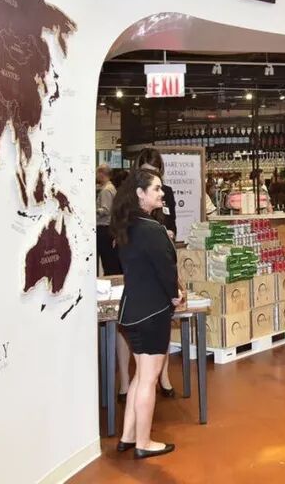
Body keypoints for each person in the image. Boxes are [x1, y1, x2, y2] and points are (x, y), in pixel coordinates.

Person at [111, 169, 183, 459]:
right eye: (156, 188)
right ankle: (144, 442)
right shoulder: (151, 229)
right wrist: (175, 295)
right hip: (152, 311)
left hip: (131, 311)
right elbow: (166, 270)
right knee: (149, 379)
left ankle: (128, 436)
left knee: (140, 376)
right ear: (140, 193)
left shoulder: (127, 226)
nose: (161, 193)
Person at [116, 148, 177, 401]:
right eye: (146, 173)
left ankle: (163, 377)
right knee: (144, 375)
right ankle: (124, 381)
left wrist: (166, 236)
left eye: (155, 173)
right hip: (140, 273)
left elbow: (171, 225)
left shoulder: (165, 196)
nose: (159, 191)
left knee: (146, 372)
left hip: (156, 270)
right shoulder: (129, 201)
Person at [96, 164, 121, 275]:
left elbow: (106, 210)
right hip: (109, 228)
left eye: (97, 173)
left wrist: (93, 211)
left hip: (104, 228)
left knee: (107, 260)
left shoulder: (106, 190)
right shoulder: (111, 188)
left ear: (102, 173)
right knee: (110, 259)